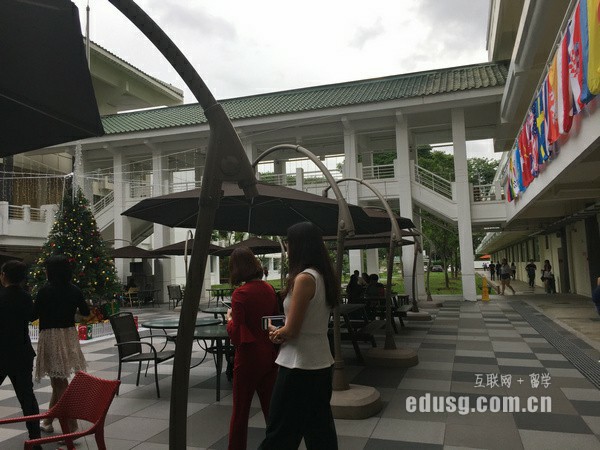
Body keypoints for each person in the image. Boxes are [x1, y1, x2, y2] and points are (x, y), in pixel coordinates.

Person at [259, 222, 338, 450]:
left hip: (297, 366)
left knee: (279, 433)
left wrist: (275, 331)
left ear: (298, 245)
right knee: (320, 431)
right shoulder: (323, 276)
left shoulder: (304, 279)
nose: (287, 247)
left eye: (288, 242)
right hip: (321, 363)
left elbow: (292, 331)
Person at [225, 247, 279, 450]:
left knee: (240, 412)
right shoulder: (269, 289)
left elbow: (237, 333)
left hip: (248, 358)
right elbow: (274, 320)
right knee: (271, 410)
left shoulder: (240, 294)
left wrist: (229, 319)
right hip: (269, 355)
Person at [34, 254, 89, 434]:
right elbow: (85, 311)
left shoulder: (44, 291)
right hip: (68, 335)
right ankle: (48, 421)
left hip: (51, 336)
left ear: (51, 271)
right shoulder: (74, 289)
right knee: (57, 381)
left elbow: (32, 315)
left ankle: (71, 427)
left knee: (59, 383)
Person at [0, 261, 42, 450]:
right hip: (22, 353)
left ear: (4, 275)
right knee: (27, 397)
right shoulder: (25, 297)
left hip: (1, 353)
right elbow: (32, 316)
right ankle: (35, 439)